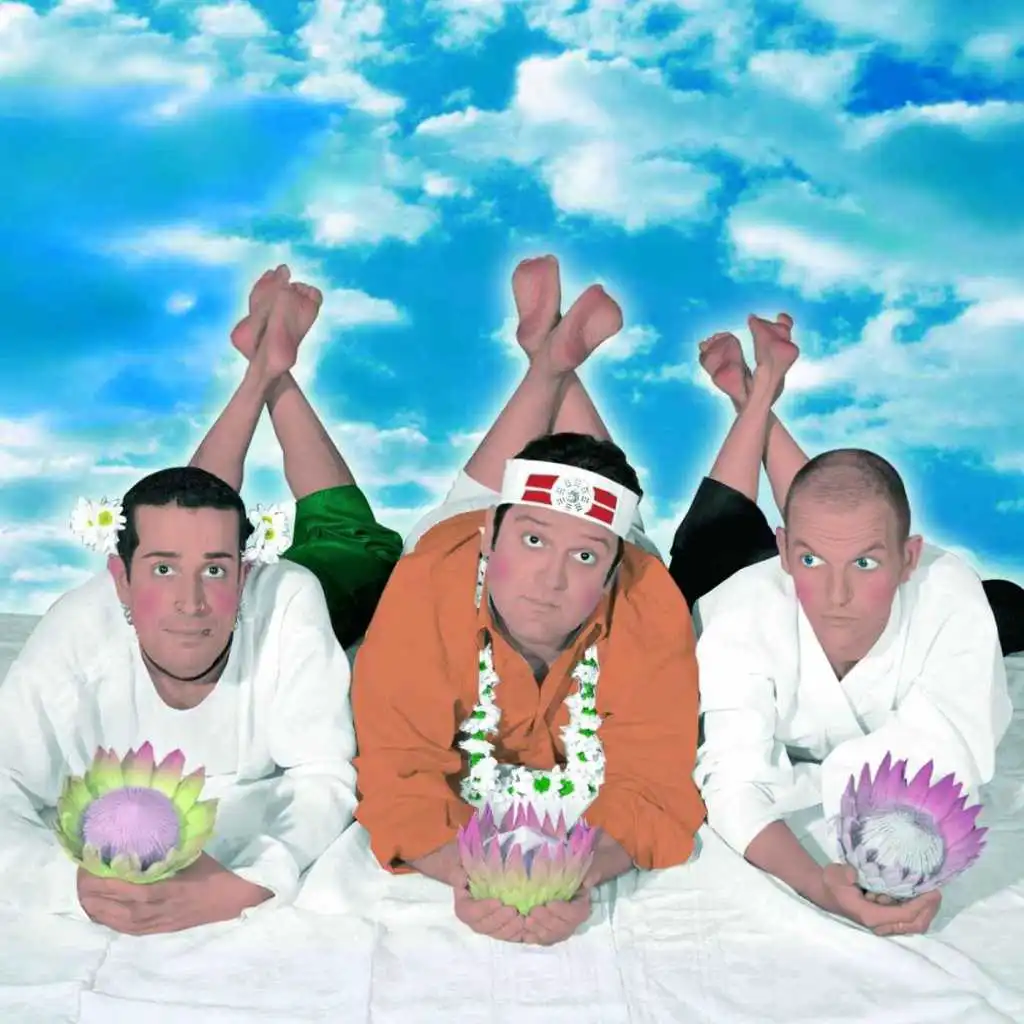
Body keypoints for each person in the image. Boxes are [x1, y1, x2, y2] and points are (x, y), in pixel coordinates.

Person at [351, 256, 705, 947]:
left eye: (585, 559)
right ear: (492, 537)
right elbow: (398, 771)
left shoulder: (646, 598)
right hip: (461, 538)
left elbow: (654, 786)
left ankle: (550, 357)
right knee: (544, 489)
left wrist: (580, 873)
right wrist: (465, 872)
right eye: (533, 543)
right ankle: (548, 366)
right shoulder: (428, 580)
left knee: (599, 494)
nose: (551, 579)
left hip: (598, 537)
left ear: (613, 571)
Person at [0, 287, 360, 935]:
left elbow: (324, 773)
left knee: (344, 531)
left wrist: (255, 880)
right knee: (190, 517)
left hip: (344, 587)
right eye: (161, 572)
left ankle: (269, 376)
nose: (190, 604)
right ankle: (262, 368)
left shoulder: (288, 599)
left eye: (217, 573)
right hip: (209, 563)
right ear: (120, 581)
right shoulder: (77, 631)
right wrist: (68, 882)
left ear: (246, 575)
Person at [670, 319, 1015, 938]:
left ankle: (757, 392)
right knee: (718, 531)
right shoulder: (737, 613)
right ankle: (756, 392)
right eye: (807, 561)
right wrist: (819, 884)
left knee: (998, 602)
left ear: (909, 558)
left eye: (867, 565)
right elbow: (731, 782)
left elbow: (953, 758)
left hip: (879, 566)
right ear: (783, 553)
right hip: (732, 573)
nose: (837, 597)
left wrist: (916, 863)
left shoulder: (947, 595)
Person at [190, 265, 403, 651]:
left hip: (202, 609)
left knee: (180, 531)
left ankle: (262, 367)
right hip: (283, 618)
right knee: (353, 540)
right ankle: (262, 366)